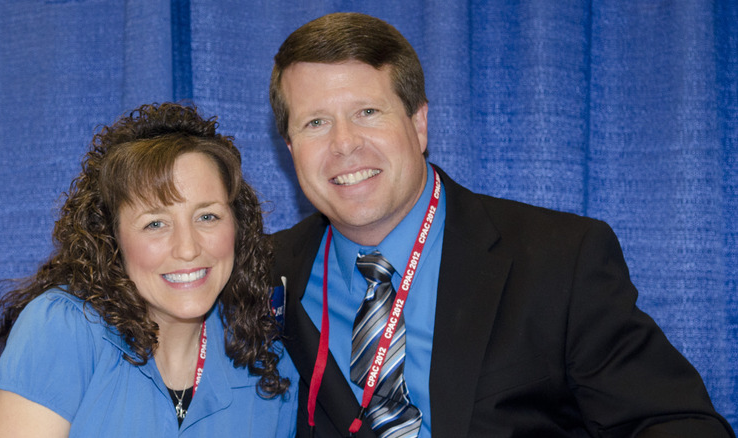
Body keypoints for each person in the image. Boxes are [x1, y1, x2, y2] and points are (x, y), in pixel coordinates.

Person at [267, 12, 734, 438]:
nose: (344, 144)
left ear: (419, 123)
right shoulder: (259, 274)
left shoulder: (560, 261)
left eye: (367, 112)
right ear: (291, 150)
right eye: (315, 123)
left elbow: (676, 423)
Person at [0, 102, 297, 437]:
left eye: (207, 217)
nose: (188, 248)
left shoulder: (268, 366)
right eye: (155, 224)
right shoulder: (62, 329)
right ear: (111, 238)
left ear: (238, 226)